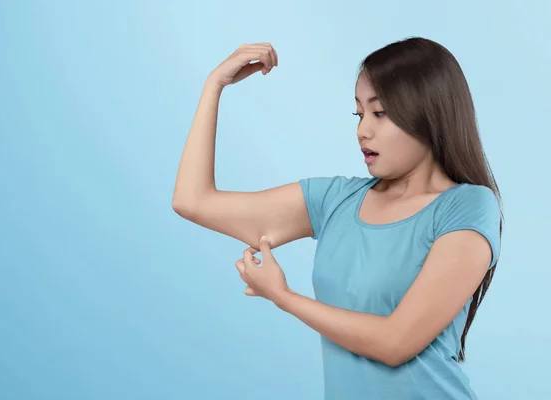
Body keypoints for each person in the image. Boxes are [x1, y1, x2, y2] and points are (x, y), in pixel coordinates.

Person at [172, 36, 503, 399]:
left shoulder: (468, 206)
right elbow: (193, 201)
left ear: (428, 113)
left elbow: (396, 342)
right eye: (358, 114)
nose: (363, 130)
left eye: (380, 113)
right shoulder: (335, 200)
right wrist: (213, 85)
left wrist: (283, 297)